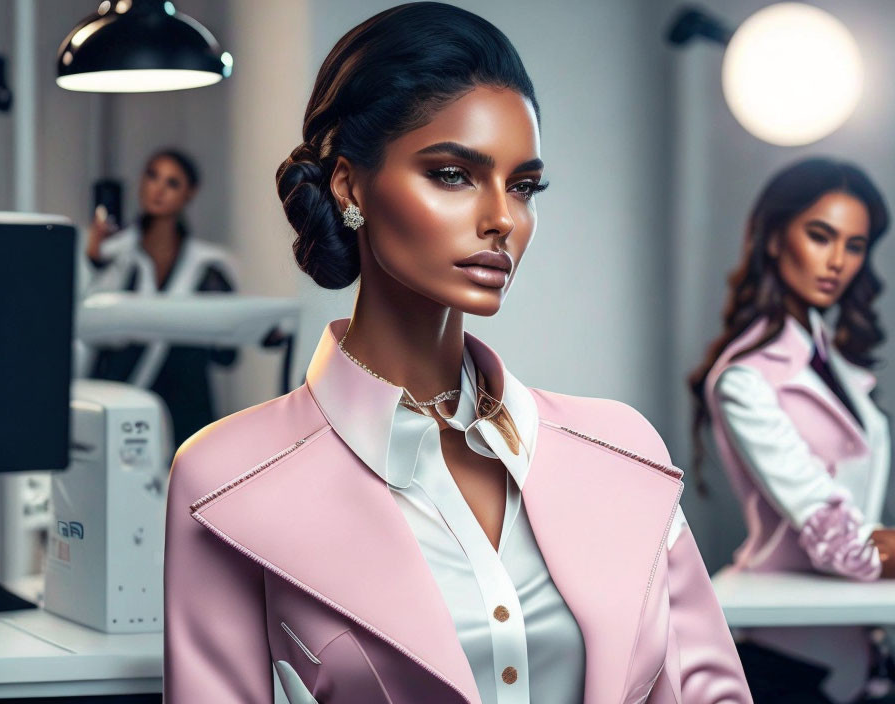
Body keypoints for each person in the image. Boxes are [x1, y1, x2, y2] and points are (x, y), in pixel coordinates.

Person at [163, 4, 751, 702]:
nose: (502, 217)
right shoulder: (227, 479)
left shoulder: (622, 452)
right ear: (351, 186)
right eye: (452, 174)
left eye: (523, 185)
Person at [690, 157, 895, 703]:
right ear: (775, 238)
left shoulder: (835, 361)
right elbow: (840, 538)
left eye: (854, 245)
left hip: (855, 644)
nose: (837, 262)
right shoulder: (745, 381)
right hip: (787, 654)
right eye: (820, 236)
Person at [80, 148, 240, 449]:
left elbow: (226, 352)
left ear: (189, 194)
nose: (159, 189)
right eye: (152, 176)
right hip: (119, 401)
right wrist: (94, 259)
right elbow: (84, 323)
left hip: (184, 409)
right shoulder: (115, 255)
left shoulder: (206, 267)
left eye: (172, 182)